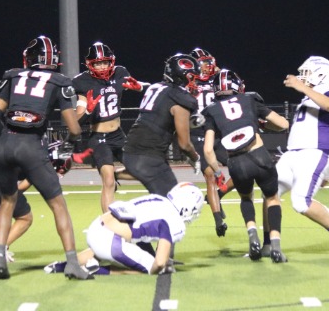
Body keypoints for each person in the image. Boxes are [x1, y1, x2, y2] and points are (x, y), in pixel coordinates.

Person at [0, 35, 91, 280]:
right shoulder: (59, 81)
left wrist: (7, 137)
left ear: (29, 58)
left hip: (5, 143)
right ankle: (73, 263)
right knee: (58, 205)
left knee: (7, 201)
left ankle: (0, 256)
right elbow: (74, 129)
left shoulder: (13, 76)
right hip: (31, 146)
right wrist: (69, 143)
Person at [202, 69, 290, 263]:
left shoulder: (211, 111)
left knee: (246, 198)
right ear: (237, 86)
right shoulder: (250, 100)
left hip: (236, 162)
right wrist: (262, 124)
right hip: (259, 155)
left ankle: (252, 235)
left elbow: (208, 150)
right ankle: (275, 246)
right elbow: (283, 124)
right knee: (272, 199)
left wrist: (217, 171)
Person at [274, 56, 329, 257]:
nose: (302, 76)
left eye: (306, 72)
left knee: (301, 202)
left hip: (316, 150)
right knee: (269, 193)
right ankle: (270, 244)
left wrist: (302, 87)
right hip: (292, 153)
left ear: (321, 73)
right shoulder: (308, 97)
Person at [57, 182, 204, 275]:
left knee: (115, 246)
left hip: (96, 226)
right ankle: (97, 270)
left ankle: (64, 265)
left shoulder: (159, 198)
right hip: (109, 241)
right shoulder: (175, 221)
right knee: (153, 268)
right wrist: (160, 264)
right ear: (188, 207)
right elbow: (159, 263)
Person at [71, 42, 145, 212]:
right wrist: (88, 111)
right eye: (98, 63)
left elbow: (147, 87)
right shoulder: (82, 82)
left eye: (105, 62)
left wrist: (140, 88)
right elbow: (76, 121)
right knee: (108, 181)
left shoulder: (120, 73)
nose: (102, 67)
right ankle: (107, 222)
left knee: (141, 170)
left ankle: (116, 174)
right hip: (99, 138)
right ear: (89, 64)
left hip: (118, 134)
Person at [122, 54, 202, 197]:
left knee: (167, 198)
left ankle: (111, 175)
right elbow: (184, 144)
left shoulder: (156, 87)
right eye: (192, 78)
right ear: (182, 76)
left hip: (131, 149)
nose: (194, 82)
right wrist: (195, 157)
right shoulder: (180, 99)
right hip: (149, 154)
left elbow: (161, 97)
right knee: (171, 202)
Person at [189, 48, 231, 237]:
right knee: (210, 176)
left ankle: (218, 195)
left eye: (209, 62)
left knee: (241, 167)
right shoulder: (185, 83)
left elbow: (229, 79)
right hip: (196, 133)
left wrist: (217, 71)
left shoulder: (217, 79)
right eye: (203, 63)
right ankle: (218, 221)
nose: (207, 66)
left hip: (216, 132)